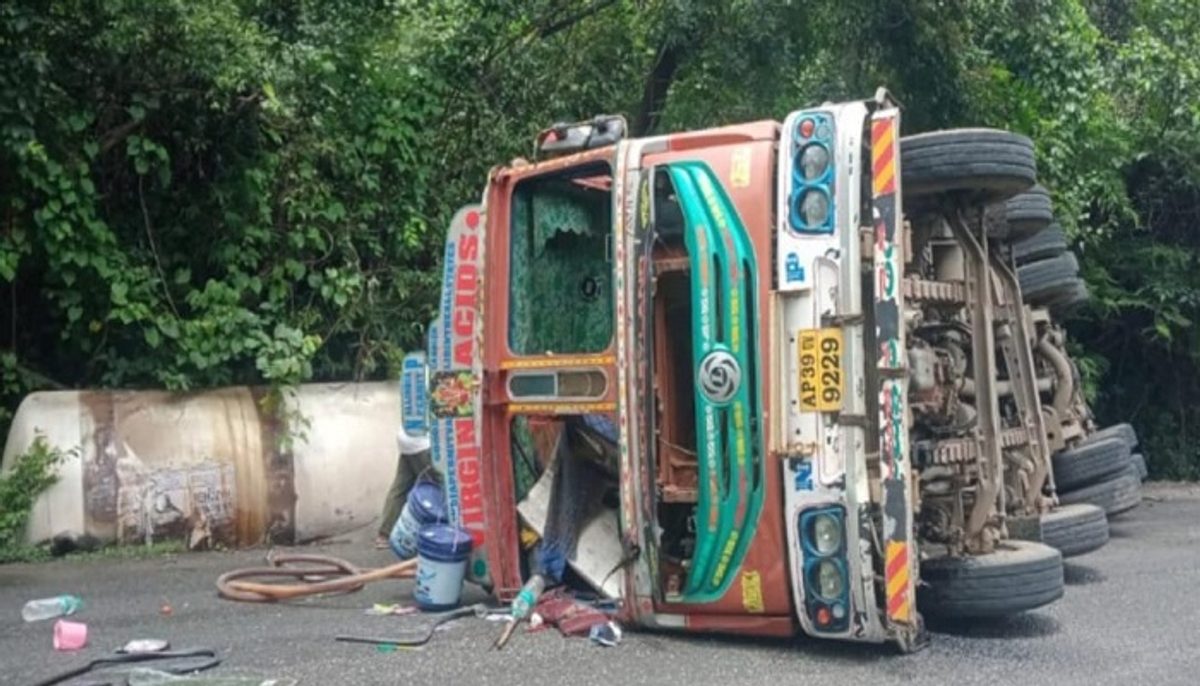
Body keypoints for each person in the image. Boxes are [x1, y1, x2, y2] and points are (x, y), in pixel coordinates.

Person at [375, 424, 435, 548]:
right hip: (424, 443)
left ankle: (384, 534)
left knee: (400, 489)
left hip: (406, 441)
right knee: (435, 489)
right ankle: (435, 536)